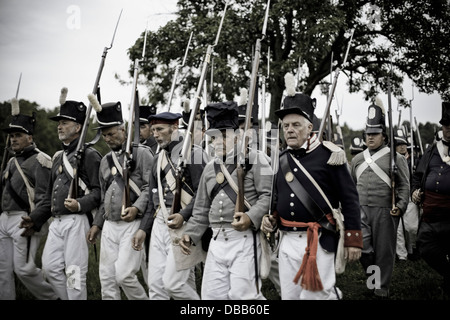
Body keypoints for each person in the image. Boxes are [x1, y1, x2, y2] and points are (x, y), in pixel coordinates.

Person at [261, 89, 363, 300]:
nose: (289, 130)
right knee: (289, 296)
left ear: (310, 127)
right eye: (286, 126)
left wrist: (353, 239)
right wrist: (270, 217)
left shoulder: (331, 155)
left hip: (319, 238)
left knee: (314, 296)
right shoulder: (280, 159)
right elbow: (277, 198)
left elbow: (350, 199)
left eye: (296, 125)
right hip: (287, 240)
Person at [180, 101, 272, 300]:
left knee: (244, 297)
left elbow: (269, 196)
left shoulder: (256, 159)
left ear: (237, 136)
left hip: (245, 239)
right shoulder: (209, 168)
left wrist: (250, 216)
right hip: (216, 240)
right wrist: (191, 234)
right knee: (211, 296)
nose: (218, 141)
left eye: (223, 135)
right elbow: (201, 209)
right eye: (213, 136)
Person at [19, 88, 102, 300]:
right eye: (60, 122)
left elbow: (98, 191)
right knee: (50, 268)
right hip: (56, 221)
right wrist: (35, 218)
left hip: (76, 220)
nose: (59, 126)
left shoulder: (90, 155)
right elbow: (48, 198)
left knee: (74, 272)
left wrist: (80, 204)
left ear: (78, 127)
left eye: (65, 122)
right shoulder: (58, 157)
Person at [132, 111, 208, 300]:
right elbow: (152, 198)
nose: (155, 134)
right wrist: (143, 229)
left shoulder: (195, 153)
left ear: (174, 128)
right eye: (153, 130)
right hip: (159, 224)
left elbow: (203, 195)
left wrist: (184, 214)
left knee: (173, 284)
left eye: (160, 129)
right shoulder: (158, 158)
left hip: (185, 225)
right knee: (156, 286)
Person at [86, 97, 152, 300]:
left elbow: (151, 187)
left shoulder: (142, 154)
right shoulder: (106, 161)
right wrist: (97, 224)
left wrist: (137, 208)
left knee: (124, 275)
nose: (107, 138)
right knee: (106, 279)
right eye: (104, 135)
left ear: (123, 130)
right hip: (109, 225)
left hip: (132, 222)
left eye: (112, 133)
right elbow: (104, 195)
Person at [350, 99, 410, 298]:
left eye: (374, 133)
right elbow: (350, 185)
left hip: (385, 210)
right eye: (368, 133)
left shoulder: (396, 158)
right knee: (364, 249)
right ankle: (372, 281)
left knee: (384, 252)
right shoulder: (358, 159)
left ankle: (380, 289)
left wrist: (400, 206)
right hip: (361, 209)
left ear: (383, 135)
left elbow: (404, 185)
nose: (370, 137)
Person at [0, 98, 58, 300]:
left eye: (18, 135)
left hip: (24, 219)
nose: (13, 139)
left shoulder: (40, 160)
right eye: (11, 136)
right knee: (2, 270)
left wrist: (35, 219)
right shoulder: (11, 161)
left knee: (23, 269)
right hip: (4, 219)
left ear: (30, 137)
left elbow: (46, 196)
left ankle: (52, 297)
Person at [411, 101, 450, 297]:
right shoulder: (432, 150)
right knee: (425, 247)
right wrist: (415, 190)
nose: (449, 129)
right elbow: (417, 175)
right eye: (446, 125)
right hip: (431, 212)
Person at [394, 130, 420, 261]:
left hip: (409, 196)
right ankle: (402, 256)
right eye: (399, 144)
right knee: (398, 230)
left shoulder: (414, 161)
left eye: (404, 144)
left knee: (411, 227)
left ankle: (413, 248)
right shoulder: (391, 161)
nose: (402, 146)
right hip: (395, 197)